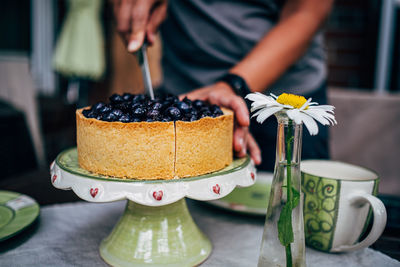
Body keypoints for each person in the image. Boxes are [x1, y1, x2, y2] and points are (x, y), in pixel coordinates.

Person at [112, 0, 334, 171]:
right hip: (182, 100)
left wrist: (233, 86)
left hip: (281, 108)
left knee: (286, 218)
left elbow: (307, 12)